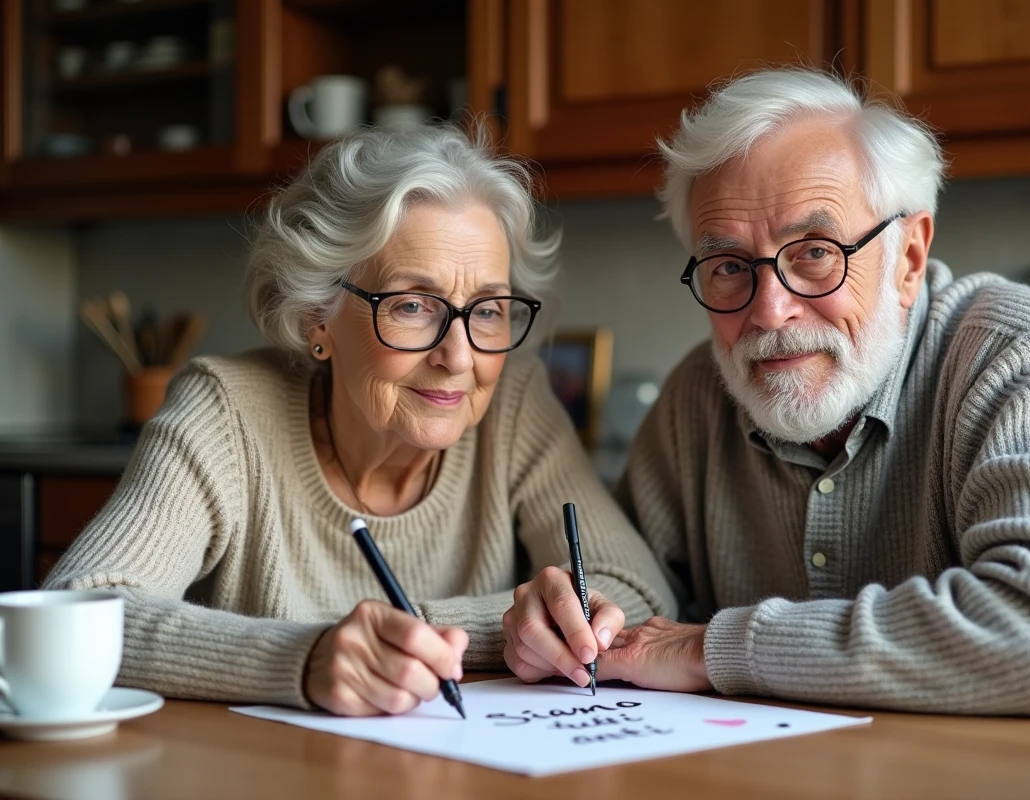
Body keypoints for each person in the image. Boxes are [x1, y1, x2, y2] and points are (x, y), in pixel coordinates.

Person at [506, 68, 1030, 718]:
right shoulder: (695, 400)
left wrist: (713, 649)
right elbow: (631, 608)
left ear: (908, 258)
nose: (770, 311)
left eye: (815, 252)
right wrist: (573, 619)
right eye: (728, 266)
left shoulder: (1019, 352)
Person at [46, 125, 676, 715]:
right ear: (316, 315)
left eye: (487, 311)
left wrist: (473, 629)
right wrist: (303, 658)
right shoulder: (227, 411)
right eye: (412, 305)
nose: (459, 357)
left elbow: (635, 594)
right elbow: (73, 614)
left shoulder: (515, 402)